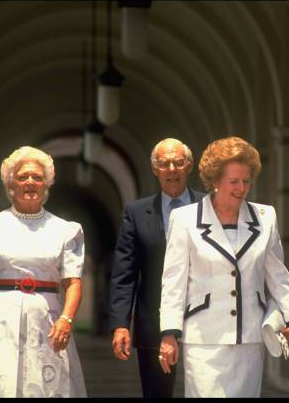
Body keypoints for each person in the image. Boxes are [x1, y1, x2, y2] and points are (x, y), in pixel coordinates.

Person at [158, 136, 289, 397]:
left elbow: (277, 273)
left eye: (246, 181)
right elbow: (173, 281)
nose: (241, 188)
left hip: (250, 339)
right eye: (233, 181)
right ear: (214, 181)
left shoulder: (265, 217)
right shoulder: (185, 219)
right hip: (204, 341)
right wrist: (168, 334)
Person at [0, 146, 87, 397]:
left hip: (47, 321)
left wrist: (66, 319)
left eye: (37, 177)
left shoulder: (66, 230)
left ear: (47, 185)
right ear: (11, 185)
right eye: (22, 177)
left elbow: (73, 282)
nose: (30, 182)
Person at [109, 138, 204, 397]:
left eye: (178, 162)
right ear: (155, 169)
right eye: (164, 163)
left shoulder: (210, 208)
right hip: (154, 324)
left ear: (189, 166)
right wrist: (120, 324)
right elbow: (124, 273)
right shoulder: (137, 213)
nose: (172, 169)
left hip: (205, 321)